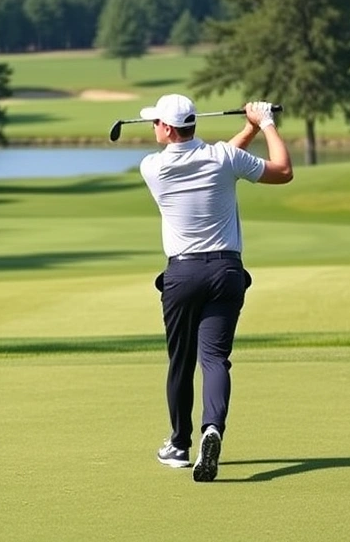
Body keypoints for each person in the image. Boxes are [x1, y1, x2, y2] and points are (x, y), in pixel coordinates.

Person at [137, 94, 292, 483]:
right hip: (226, 272)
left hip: (183, 275)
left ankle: (178, 445)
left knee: (181, 362)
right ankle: (213, 429)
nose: (152, 126)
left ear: (168, 129)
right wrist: (265, 123)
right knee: (215, 360)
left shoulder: (152, 167)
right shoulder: (222, 158)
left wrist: (250, 129)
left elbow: (217, 160)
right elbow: (282, 170)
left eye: (155, 121)